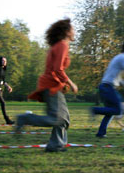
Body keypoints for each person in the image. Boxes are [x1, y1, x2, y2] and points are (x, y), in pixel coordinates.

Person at [15, 18, 78, 152]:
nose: (74, 32)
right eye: (72, 29)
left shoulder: (58, 45)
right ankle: (25, 118)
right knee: (57, 119)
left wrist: (62, 82)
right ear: (67, 32)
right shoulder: (62, 45)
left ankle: (56, 145)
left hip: (53, 84)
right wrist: (70, 83)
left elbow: (55, 69)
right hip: (51, 86)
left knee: (64, 119)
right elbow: (58, 69)